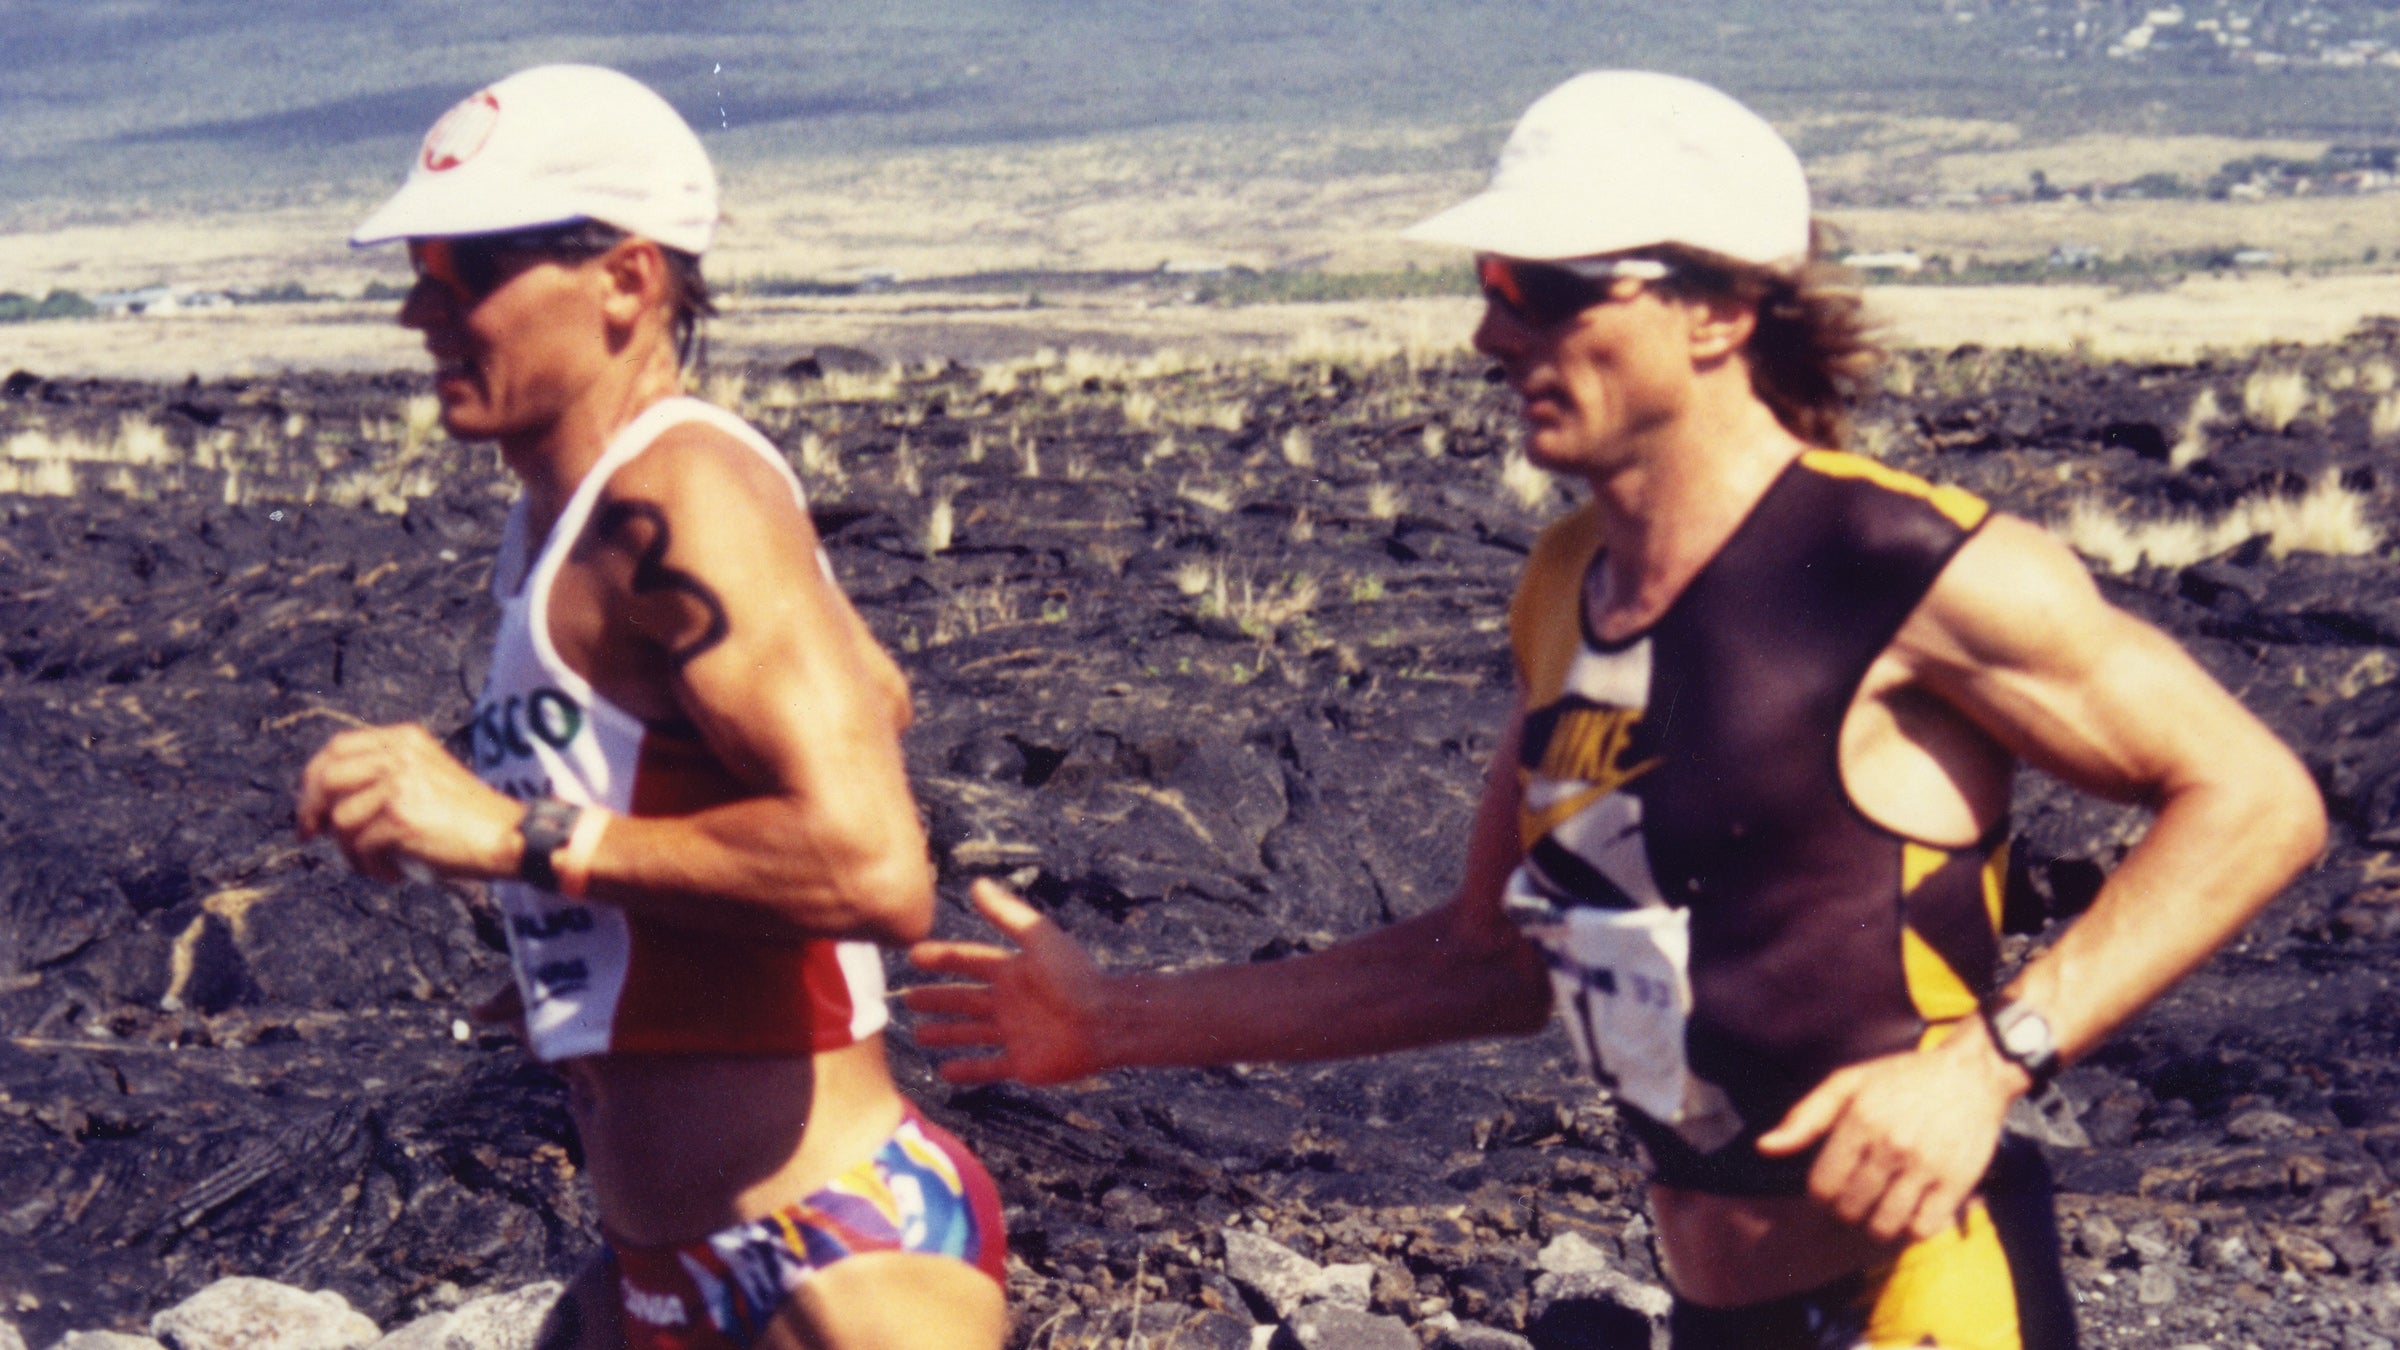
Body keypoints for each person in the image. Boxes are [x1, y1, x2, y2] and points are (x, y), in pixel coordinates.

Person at [905, 71, 2325, 1350]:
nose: (1489, 330)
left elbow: (2256, 800)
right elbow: (1489, 962)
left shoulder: (1903, 566)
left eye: (1545, 285)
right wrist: (1116, 1020)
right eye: (1492, 281)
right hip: (1717, 1307)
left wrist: (1990, 1062)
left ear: (1718, 309)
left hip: (1929, 1298)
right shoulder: (1566, 584)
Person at [294, 65, 1007, 1350]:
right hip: (654, 1274)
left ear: (626, 280)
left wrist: (511, 836)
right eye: (419, 268)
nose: (419, 309)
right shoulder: (566, 525)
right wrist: (582, 951)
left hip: (832, 1261)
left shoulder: (681, 495)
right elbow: (865, 697)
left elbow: (874, 868)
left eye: (468, 269)